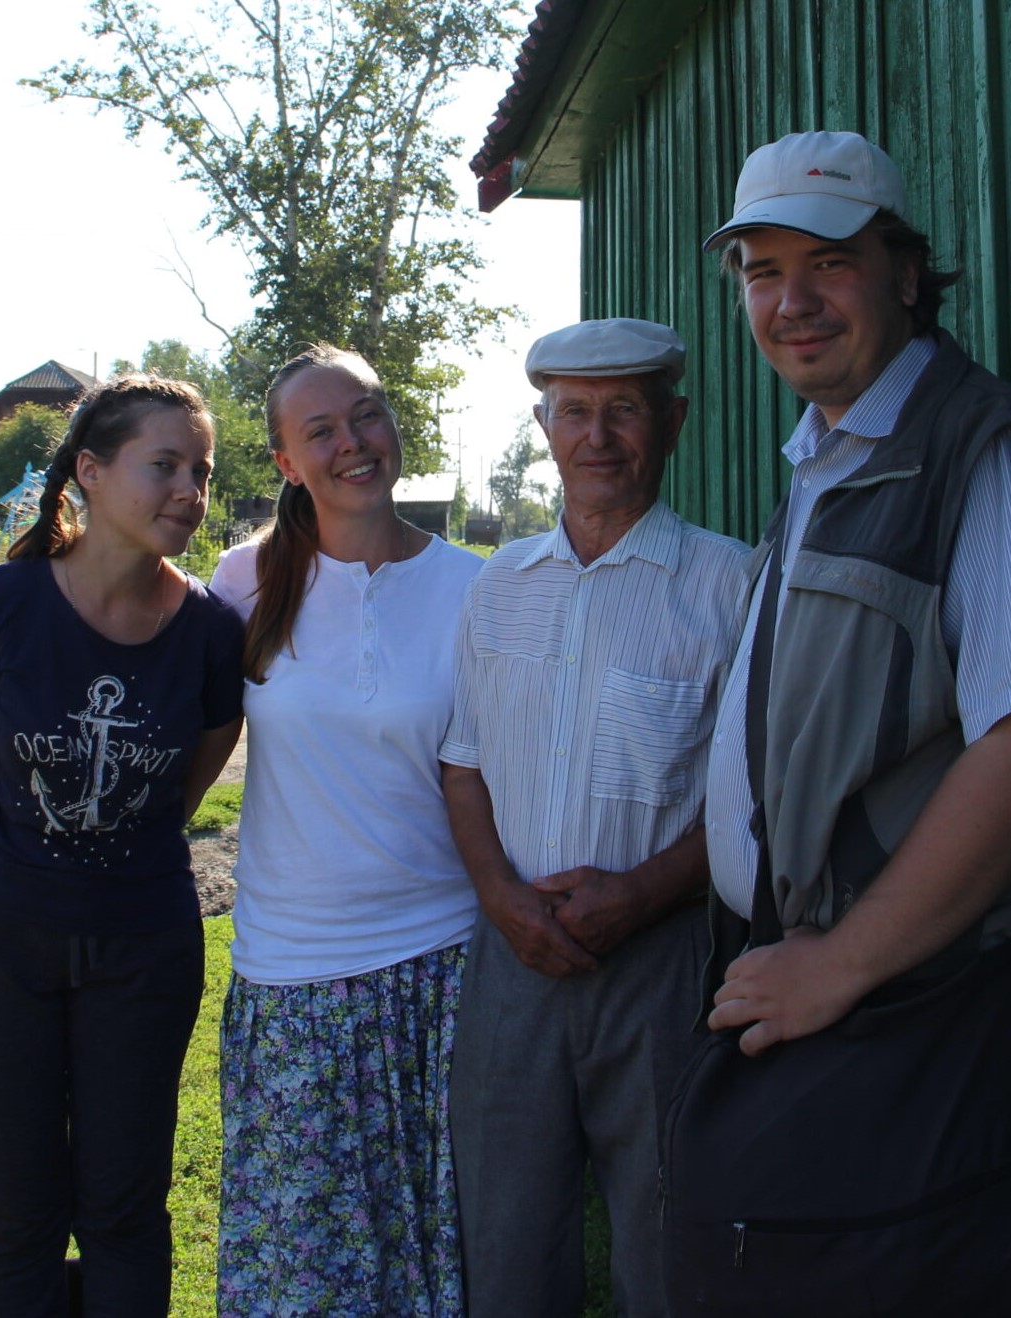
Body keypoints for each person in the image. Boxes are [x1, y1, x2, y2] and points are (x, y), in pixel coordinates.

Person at [0, 374, 246, 1318]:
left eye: (201, 470)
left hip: (139, 949)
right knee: (17, 1215)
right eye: (164, 466)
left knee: (124, 1209)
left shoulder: (211, 637)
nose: (190, 489)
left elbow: (188, 776)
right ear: (90, 473)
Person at [440, 318, 747, 1318]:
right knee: (508, 1241)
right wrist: (499, 896)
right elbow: (464, 762)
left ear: (674, 422)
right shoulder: (499, 585)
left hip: (662, 968)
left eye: (625, 410)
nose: (598, 436)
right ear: (543, 425)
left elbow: (758, 797)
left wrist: (643, 893)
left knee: (667, 1239)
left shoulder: (729, 586)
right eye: (575, 411)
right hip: (512, 961)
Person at [208, 344, 485, 1317]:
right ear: (285, 461)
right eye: (319, 430)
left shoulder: (475, 587)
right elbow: (155, 717)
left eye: (364, 414)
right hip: (294, 975)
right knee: (302, 1272)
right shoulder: (239, 585)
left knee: (441, 1260)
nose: (350, 443)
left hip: (448, 968)